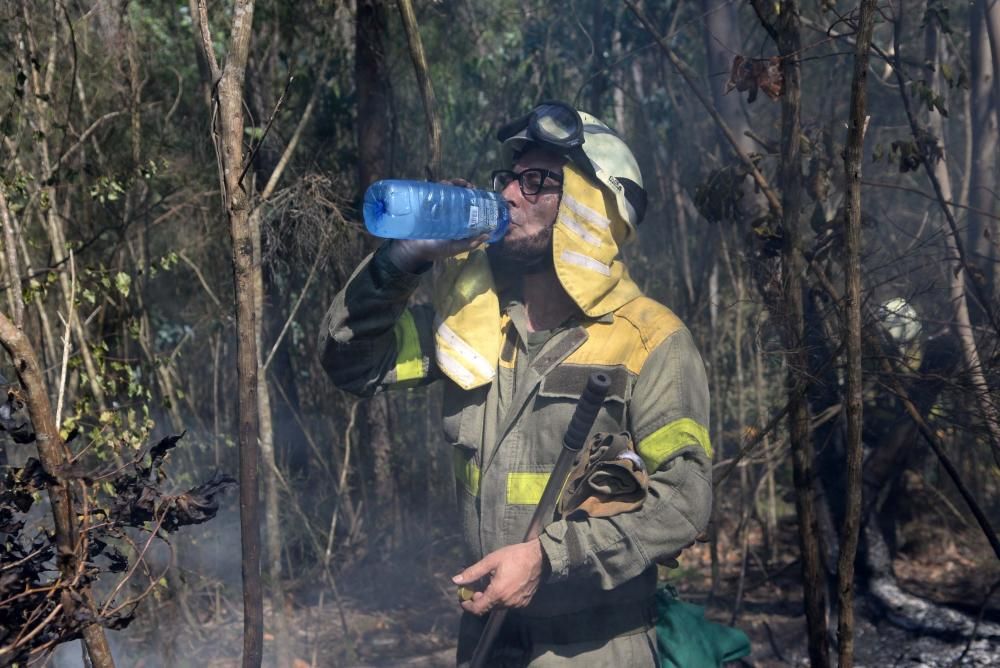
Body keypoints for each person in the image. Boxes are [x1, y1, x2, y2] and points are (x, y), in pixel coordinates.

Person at [320, 102, 712, 667]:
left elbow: (682, 503)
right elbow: (350, 363)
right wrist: (403, 259)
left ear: (591, 205)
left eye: (537, 183)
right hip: (486, 641)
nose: (507, 196)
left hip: (596, 648)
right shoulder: (471, 325)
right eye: (509, 179)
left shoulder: (650, 340)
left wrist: (548, 559)